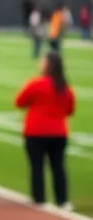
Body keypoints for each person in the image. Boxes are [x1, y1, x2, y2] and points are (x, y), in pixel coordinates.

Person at [15, 52, 76, 211]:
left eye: (43, 61)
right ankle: (62, 201)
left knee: (37, 166)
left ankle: (39, 198)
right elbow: (70, 109)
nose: (40, 63)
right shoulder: (65, 87)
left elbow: (19, 102)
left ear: (48, 65)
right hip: (59, 132)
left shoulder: (37, 84)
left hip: (36, 131)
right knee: (58, 167)